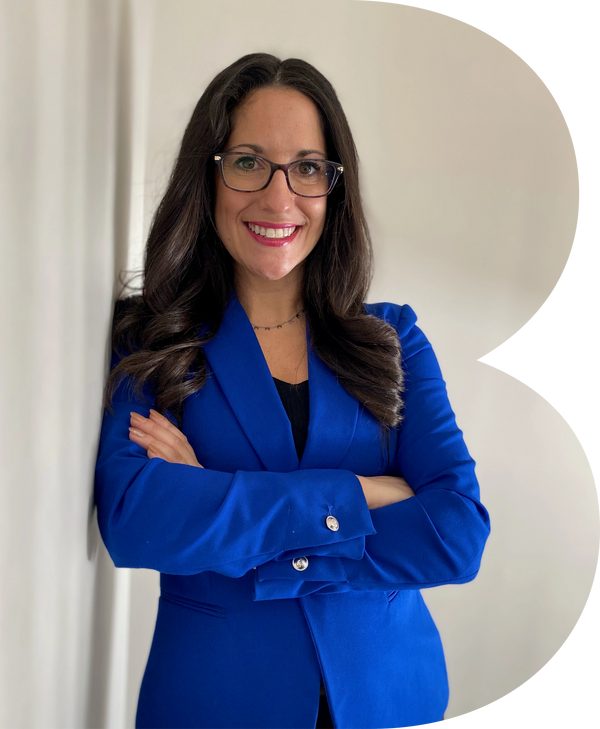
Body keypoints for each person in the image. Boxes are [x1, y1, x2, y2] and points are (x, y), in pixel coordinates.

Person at [95, 52, 490, 729]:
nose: (280, 199)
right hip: (217, 702)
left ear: (334, 188)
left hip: (391, 698)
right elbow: (136, 522)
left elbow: (455, 536)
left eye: (307, 168)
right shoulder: (155, 337)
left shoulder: (394, 338)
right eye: (249, 161)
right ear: (210, 174)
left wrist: (216, 492)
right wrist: (364, 493)